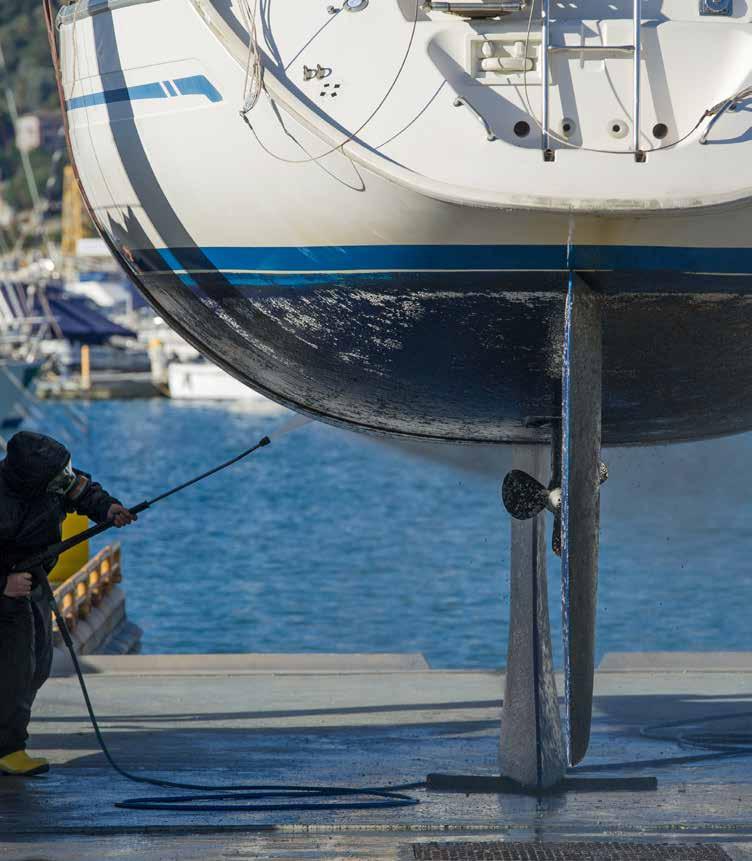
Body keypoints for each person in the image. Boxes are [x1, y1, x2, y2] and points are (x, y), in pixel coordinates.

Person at [0, 431, 135, 777]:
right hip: (7, 591)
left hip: (33, 583)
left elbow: (83, 491)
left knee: (39, 664)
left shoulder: (56, 481)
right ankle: (7, 748)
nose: (67, 479)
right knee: (13, 670)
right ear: (32, 481)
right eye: (60, 475)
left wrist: (107, 507)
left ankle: (10, 741)